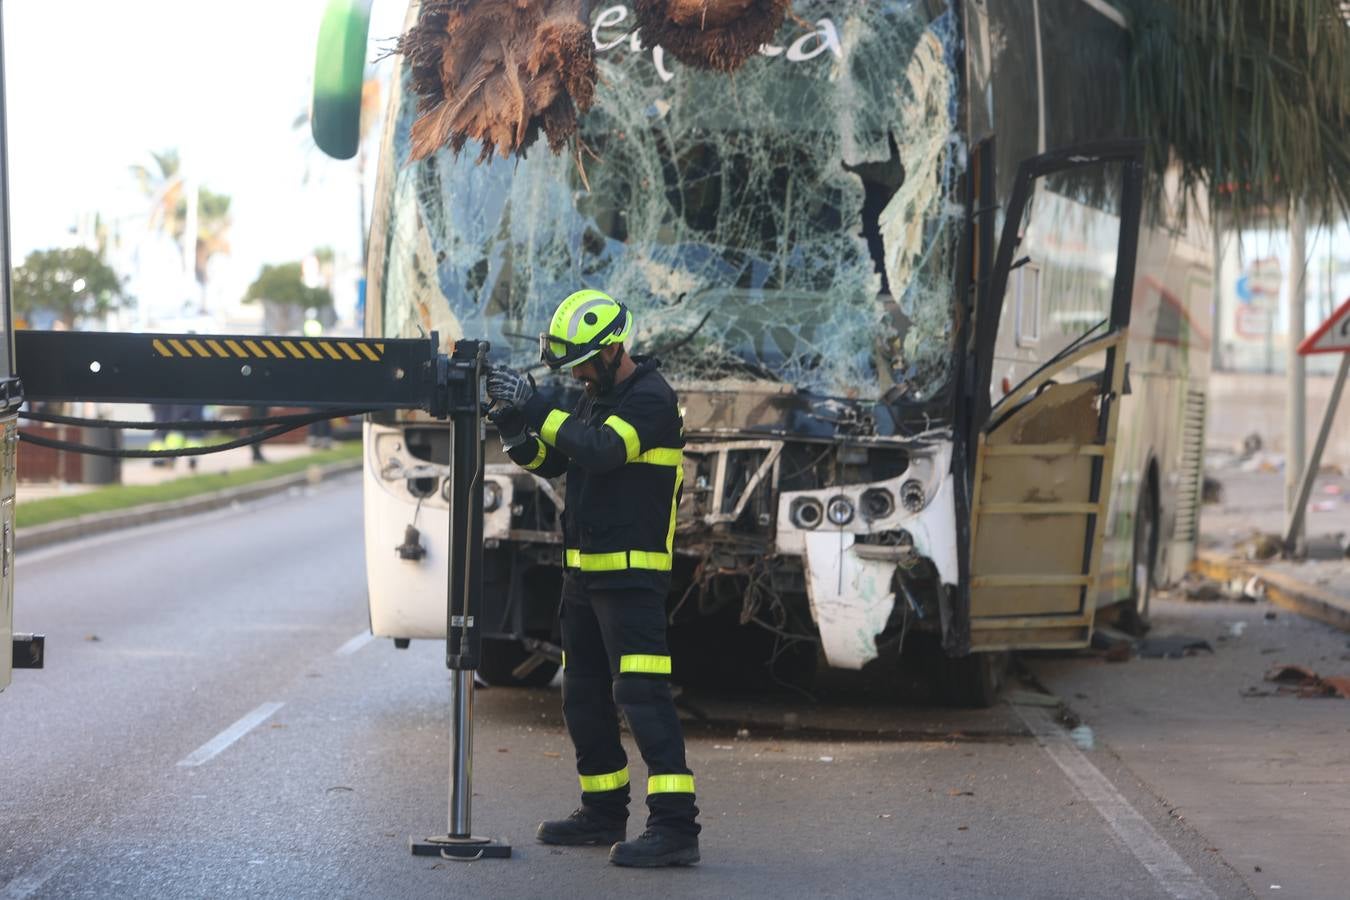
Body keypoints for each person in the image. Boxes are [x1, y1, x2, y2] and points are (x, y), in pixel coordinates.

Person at [486, 289, 700, 868]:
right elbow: (562, 459)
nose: (577, 373)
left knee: (641, 696)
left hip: (632, 579)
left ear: (612, 348)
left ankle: (676, 827)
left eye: (582, 361)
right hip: (584, 575)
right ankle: (603, 810)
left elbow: (603, 451)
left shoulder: (652, 399)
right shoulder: (592, 396)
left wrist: (536, 408)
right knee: (581, 694)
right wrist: (516, 434)